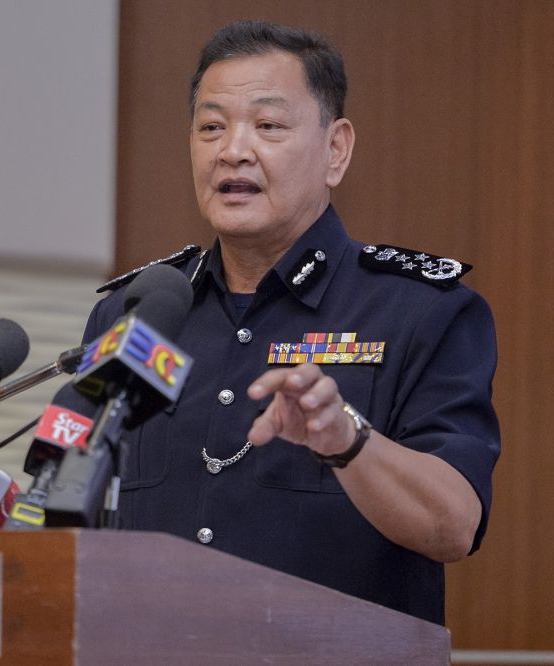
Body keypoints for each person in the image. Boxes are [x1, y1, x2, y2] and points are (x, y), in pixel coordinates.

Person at [82, 20, 499, 625]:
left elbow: (454, 527)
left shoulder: (424, 311)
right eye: (211, 127)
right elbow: (81, 505)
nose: (232, 150)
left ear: (336, 150)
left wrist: (347, 441)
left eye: (269, 125)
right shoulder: (135, 314)